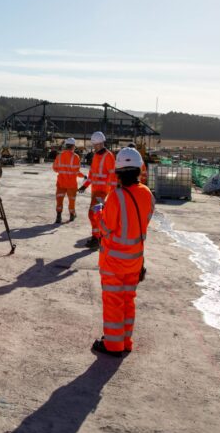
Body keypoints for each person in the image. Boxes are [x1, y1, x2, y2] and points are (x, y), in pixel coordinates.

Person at [91, 147, 155, 357]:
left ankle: (113, 345)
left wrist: (98, 213)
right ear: (138, 170)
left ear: (118, 172)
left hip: (114, 263)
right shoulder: (147, 194)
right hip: (135, 260)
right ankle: (125, 341)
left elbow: (106, 228)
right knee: (128, 301)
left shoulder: (115, 196)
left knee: (113, 305)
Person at [78, 131, 116, 247]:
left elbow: (113, 175)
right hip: (95, 191)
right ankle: (98, 238)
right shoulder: (96, 156)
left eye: (95, 145)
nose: (94, 147)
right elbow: (92, 175)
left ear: (100, 143)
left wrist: (113, 194)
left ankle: (98, 238)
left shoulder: (108, 156)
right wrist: (85, 185)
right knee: (95, 214)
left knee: (93, 214)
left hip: (103, 191)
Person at [52, 137, 83, 223]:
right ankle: (72, 215)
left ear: (66, 146)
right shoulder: (76, 157)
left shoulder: (59, 156)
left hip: (61, 182)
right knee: (72, 200)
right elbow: (77, 171)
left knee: (59, 199)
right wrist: (83, 176)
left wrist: (62, 171)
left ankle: (58, 216)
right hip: (71, 184)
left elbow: (55, 168)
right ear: (73, 146)